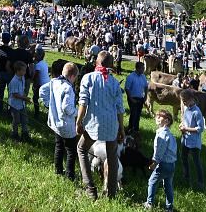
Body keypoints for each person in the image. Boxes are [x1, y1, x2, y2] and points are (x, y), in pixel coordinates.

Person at [76, 50, 126, 201]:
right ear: (110, 65)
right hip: (111, 126)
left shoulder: (87, 78)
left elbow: (83, 103)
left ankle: (90, 187)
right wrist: (121, 129)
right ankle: (111, 194)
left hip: (93, 125)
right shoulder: (114, 82)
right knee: (112, 157)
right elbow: (120, 109)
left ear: (97, 62)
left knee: (81, 149)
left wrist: (78, 122)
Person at [45, 62, 80, 181]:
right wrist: (78, 113)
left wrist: (48, 105)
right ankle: (70, 175)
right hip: (66, 125)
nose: (75, 80)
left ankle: (58, 170)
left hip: (55, 122)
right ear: (71, 77)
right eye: (75, 78)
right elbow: (67, 108)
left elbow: (42, 91)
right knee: (71, 151)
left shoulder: (54, 81)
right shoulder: (68, 88)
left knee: (59, 147)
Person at [144, 109, 177, 211]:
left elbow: (160, 151)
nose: (157, 118)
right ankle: (169, 207)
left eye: (160, 116)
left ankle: (149, 203)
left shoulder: (162, 135)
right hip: (172, 164)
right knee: (168, 185)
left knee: (152, 182)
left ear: (167, 121)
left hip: (163, 164)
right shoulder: (171, 135)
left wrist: (155, 163)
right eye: (156, 116)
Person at [179, 91, 204, 190]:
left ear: (191, 99)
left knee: (196, 161)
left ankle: (200, 182)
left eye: (184, 101)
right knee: (183, 157)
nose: (183, 103)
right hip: (185, 138)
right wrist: (182, 125)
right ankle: (186, 176)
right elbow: (185, 120)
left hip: (194, 141)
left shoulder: (197, 112)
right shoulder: (186, 108)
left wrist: (186, 129)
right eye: (182, 101)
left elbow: (200, 128)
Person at [8, 61, 31, 142]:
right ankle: (14, 134)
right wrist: (24, 98)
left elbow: (22, 90)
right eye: (23, 70)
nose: (25, 72)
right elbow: (15, 94)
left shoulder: (23, 78)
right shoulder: (15, 81)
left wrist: (24, 96)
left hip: (22, 104)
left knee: (25, 119)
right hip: (15, 104)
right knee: (16, 120)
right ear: (18, 71)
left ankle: (25, 134)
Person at [125, 62, 149, 133]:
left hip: (140, 97)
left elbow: (146, 86)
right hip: (133, 98)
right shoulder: (130, 77)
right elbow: (127, 88)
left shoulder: (143, 77)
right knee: (133, 114)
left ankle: (136, 129)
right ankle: (130, 128)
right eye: (142, 68)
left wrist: (145, 95)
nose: (143, 70)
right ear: (138, 68)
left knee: (138, 114)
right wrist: (131, 99)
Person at [0, 32, 14, 114]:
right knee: (10, 93)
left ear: (2, 39)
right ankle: (9, 111)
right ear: (9, 40)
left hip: (1, 72)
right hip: (9, 73)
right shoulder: (11, 51)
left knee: (0, 91)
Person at [32, 47, 51, 118]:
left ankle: (37, 114)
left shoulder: (38, 65)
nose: (34, 55)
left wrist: (34, 86)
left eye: (36, 54)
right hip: (48, 83)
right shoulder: (44, 63)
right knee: (46, 99)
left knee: (35, 98)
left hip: (42, 84)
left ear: (40, 55)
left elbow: (37, 77)